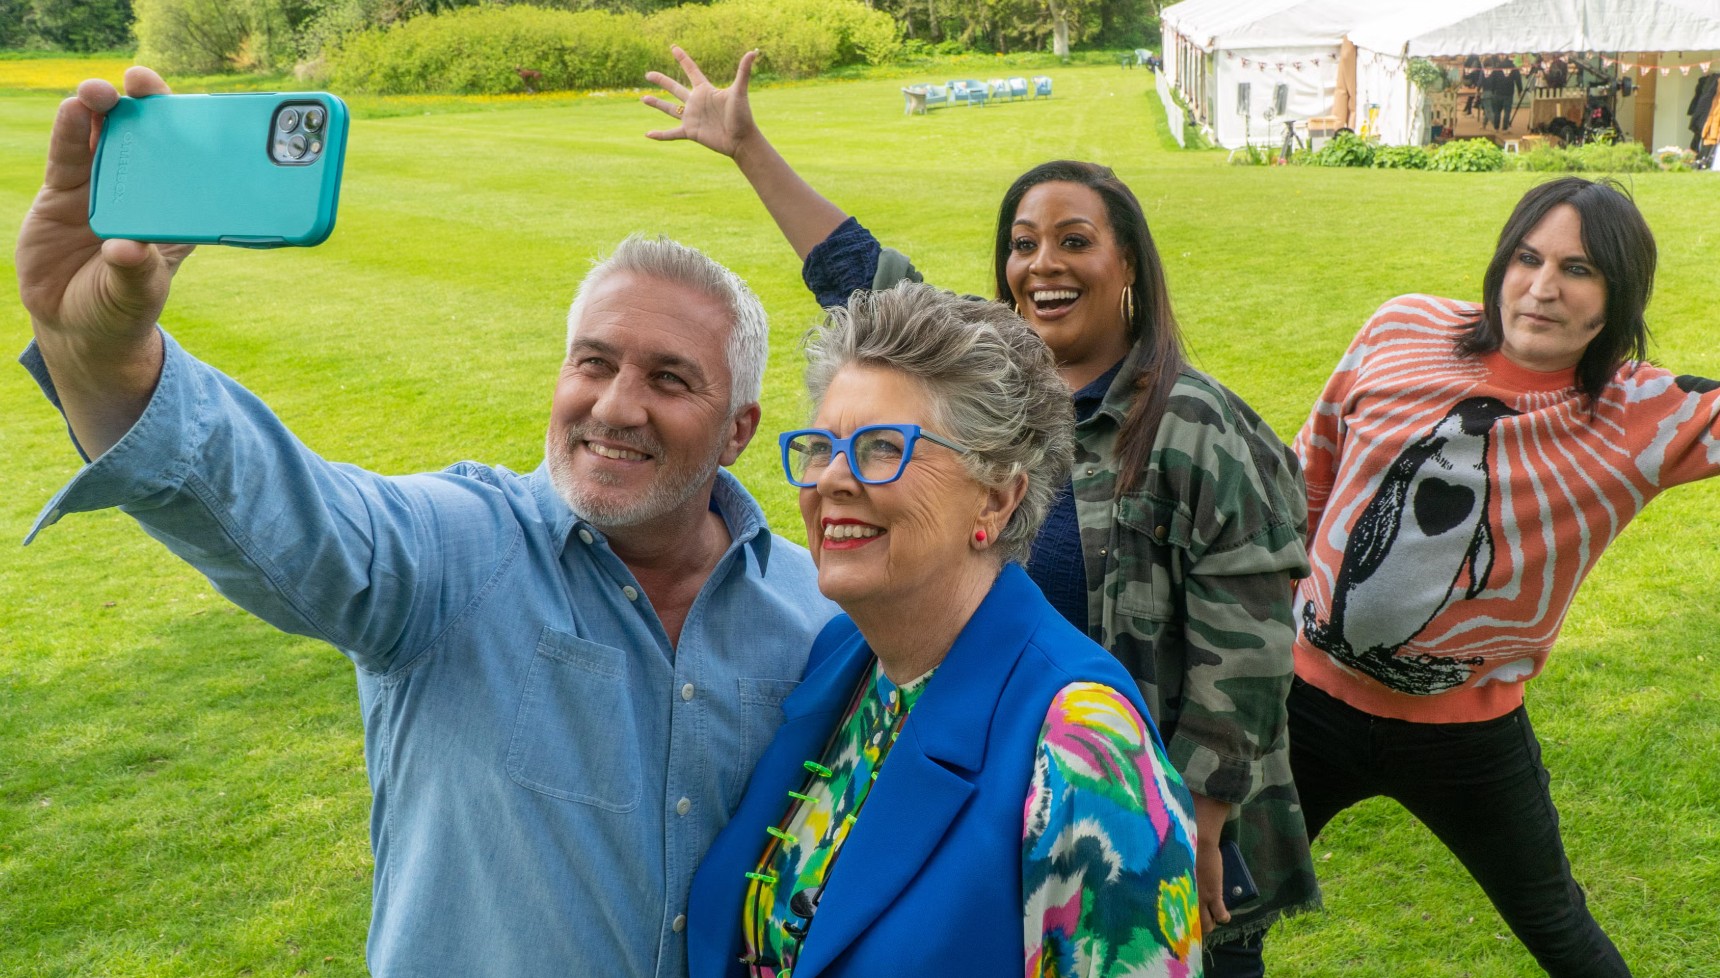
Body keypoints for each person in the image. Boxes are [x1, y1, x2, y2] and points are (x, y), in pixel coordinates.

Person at [16, 67, 834, 978]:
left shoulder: (818, 616)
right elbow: (293, 512)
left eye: (670, 379)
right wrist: (104, 357)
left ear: (740, 431)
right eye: (592, 363)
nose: (613, 407)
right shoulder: (458, 549)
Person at [642, 46, 1318, 975]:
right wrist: (750, 149)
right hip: (962, 724)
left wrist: (1196, 811)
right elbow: (866, 283)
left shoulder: (1189, 423)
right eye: (1023, 242)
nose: (1043, 261)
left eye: (1075, 239)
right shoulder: (983, 379)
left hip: (1107, 792)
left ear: (1129, 266)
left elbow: (1249, 640)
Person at [689, 281, 1201, 977]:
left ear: (997, 494)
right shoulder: (844, 656)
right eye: (821, 446)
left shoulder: (1088, 750)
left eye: (879, 447)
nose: (831, 480)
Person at [1289, 177, 1720, 976]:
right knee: (1223, 907)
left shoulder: (1640, 413)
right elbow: (1308, 475)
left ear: (1617, 297)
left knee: (1561, 932)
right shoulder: (1402, 325)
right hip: (1301, 706)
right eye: (1528, 257)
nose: (1542, 287)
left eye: (1579, 270)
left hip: (1467, 740)